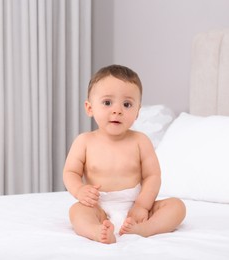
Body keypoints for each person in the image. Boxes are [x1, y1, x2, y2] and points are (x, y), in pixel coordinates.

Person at [63, 64, 186, 244]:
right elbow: (70, 172)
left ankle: (144, 229)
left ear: (137, 112)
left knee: (177, 207)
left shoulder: (140, 141)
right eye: (107, 102)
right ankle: (97, 231)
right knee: (76, 212)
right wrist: (79, 190)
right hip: (98, 207)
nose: (117, 110)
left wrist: (142, 206)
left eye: (127, 104)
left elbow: (152, 176)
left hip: (135, 205)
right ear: (90, 108)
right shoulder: (84, 141)